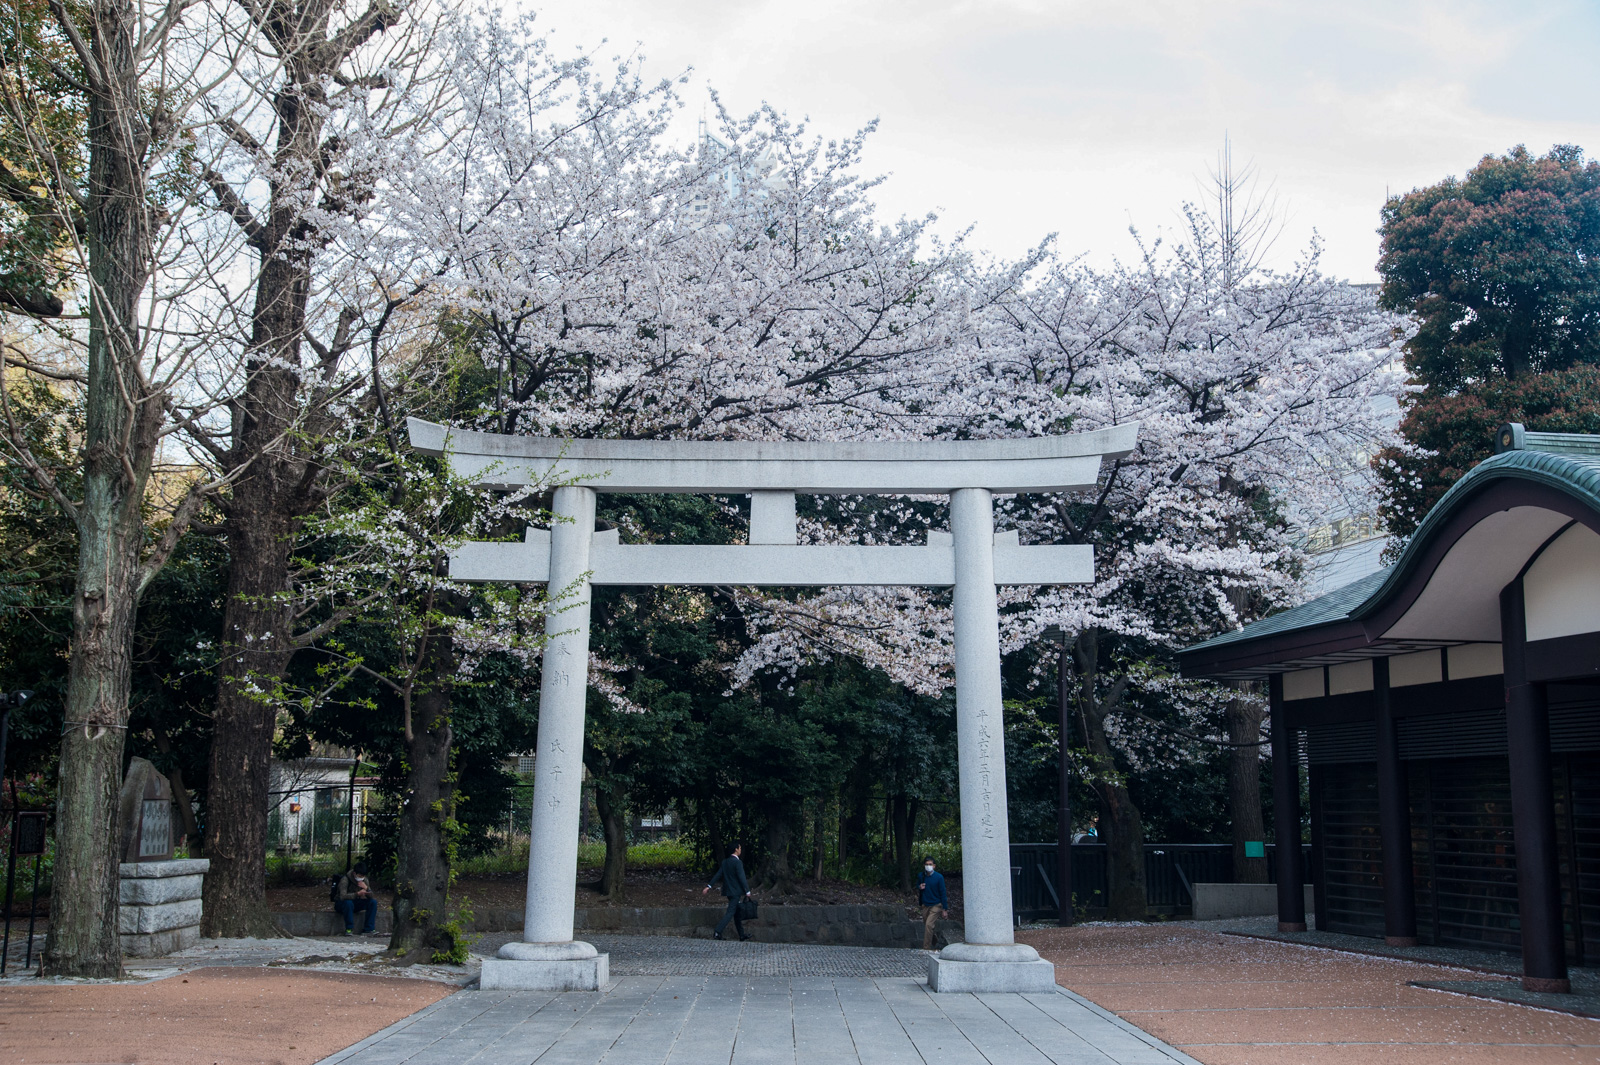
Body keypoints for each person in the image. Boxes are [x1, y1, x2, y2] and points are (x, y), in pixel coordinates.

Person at [701, 842, 752, 941]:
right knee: (731, 912)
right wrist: (747, 891)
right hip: (736, 892)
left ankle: (741, 935)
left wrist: (709, 886)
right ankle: (717, 931)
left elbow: (718, 874)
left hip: (728, 891)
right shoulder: (737, 862)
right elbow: (742, 878)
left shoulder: (725, 862)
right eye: (740, 847)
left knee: (736, 913)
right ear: (736, 849)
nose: (740, 849)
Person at [336, 861, 378, 935]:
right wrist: (357, 894)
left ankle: (369, 929)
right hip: (343, 903)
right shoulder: (345, 880)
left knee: (373, 902)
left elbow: (371, 896)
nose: (361, 878)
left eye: (363, 876)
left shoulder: (365, 880)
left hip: (356, 902)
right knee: (348, 903)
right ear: (355, 873)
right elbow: (342, 896)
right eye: (360, 876)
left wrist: (367, 888)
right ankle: (349, 928)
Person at [917, 857, 950, 950]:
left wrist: (944, 909)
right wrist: (919, 886)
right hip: (925, 904)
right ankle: (934, 939)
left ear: (934, 866)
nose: (928, 866)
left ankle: (926, 948)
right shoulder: (921, 876)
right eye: (927, 864)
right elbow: (917, 885)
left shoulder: (939, 877)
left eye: (930, 864)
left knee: (928, 925)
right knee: (927, 925)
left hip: (936, 904)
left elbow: (943, 893)